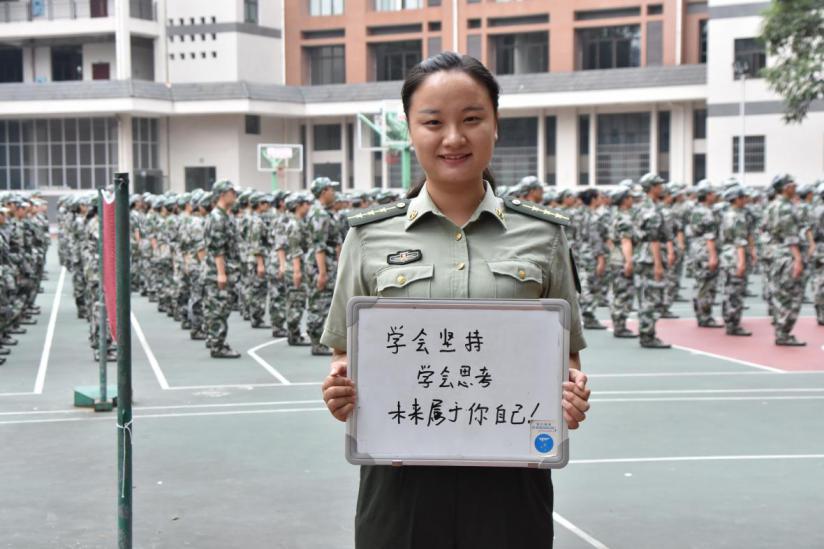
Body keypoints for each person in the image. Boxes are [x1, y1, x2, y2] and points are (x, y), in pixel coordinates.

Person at [319, 52, 591, 549]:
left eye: (471, 119)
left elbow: (565, 357)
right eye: (433, 122)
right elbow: (345, 352)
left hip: (511, 481)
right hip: (400, 484)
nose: (453, 138)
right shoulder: (368, 238)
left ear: (495, 125)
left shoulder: (544, 237)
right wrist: (341, 389)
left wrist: (569, 395)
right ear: (410, 130)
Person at [203, 180, 242, 358]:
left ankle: (216, 341)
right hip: (217, 271)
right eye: (231, 192)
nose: (234, 195)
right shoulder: (217, 218)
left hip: (226, 269)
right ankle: (217, 346)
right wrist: (221, 273)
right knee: (218, 309)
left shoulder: (225, 215)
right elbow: (217, 249)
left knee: (220, 308)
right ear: (222, 194)